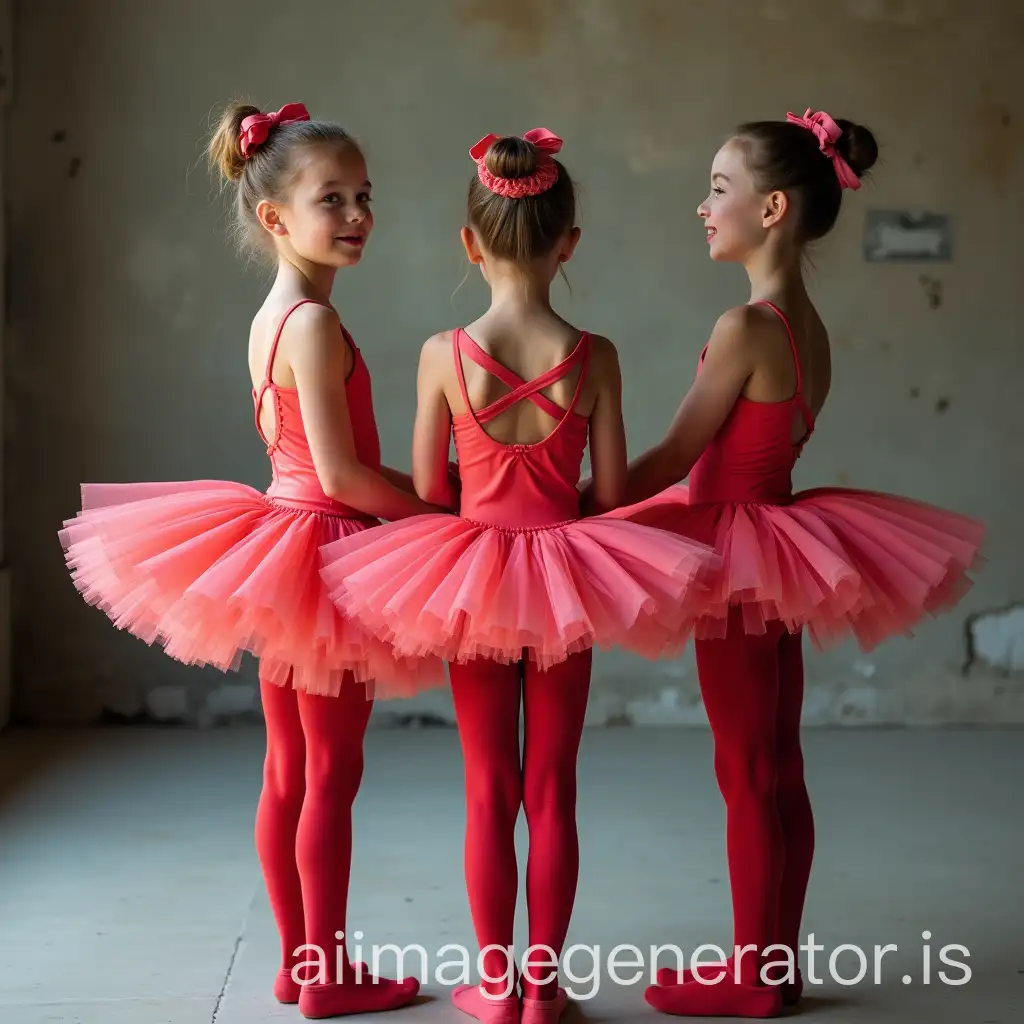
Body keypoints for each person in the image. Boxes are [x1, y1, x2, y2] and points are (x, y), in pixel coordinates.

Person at [586, 108, 985, 1018]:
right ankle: (775, 965)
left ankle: (750, 978)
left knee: (745, 771)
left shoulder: (745, 327)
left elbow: (670, 461)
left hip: (736, 554)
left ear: (771, 209)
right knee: (777, 764)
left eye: (718, 189)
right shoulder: (807, 326)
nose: (703, 207)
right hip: (776, 547)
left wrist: (565, 502)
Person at [59, 101, 449, 1018]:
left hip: (283, 541)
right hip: (322, 553)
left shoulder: (275, 314)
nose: (356, 215)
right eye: (332, 200)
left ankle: (295, 964)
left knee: (288, 771)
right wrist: (434, 512)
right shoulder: (312, 323)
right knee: (330, 777)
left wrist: (435, 491)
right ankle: (327, 976)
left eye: (363, 196)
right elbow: (344, 476)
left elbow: (318, 461)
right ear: (275, 218)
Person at [319, 128, 718, 1024]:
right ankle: (545, 989)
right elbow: (612, 493)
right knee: (553, 786)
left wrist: (481, 496)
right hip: (569, 572)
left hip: (470, 573)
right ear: (568, 242)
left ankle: (495, 986)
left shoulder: (441, 354)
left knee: (487, 786)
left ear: (470, 243)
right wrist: (553, 497)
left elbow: (428, 492)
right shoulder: (597, 355)